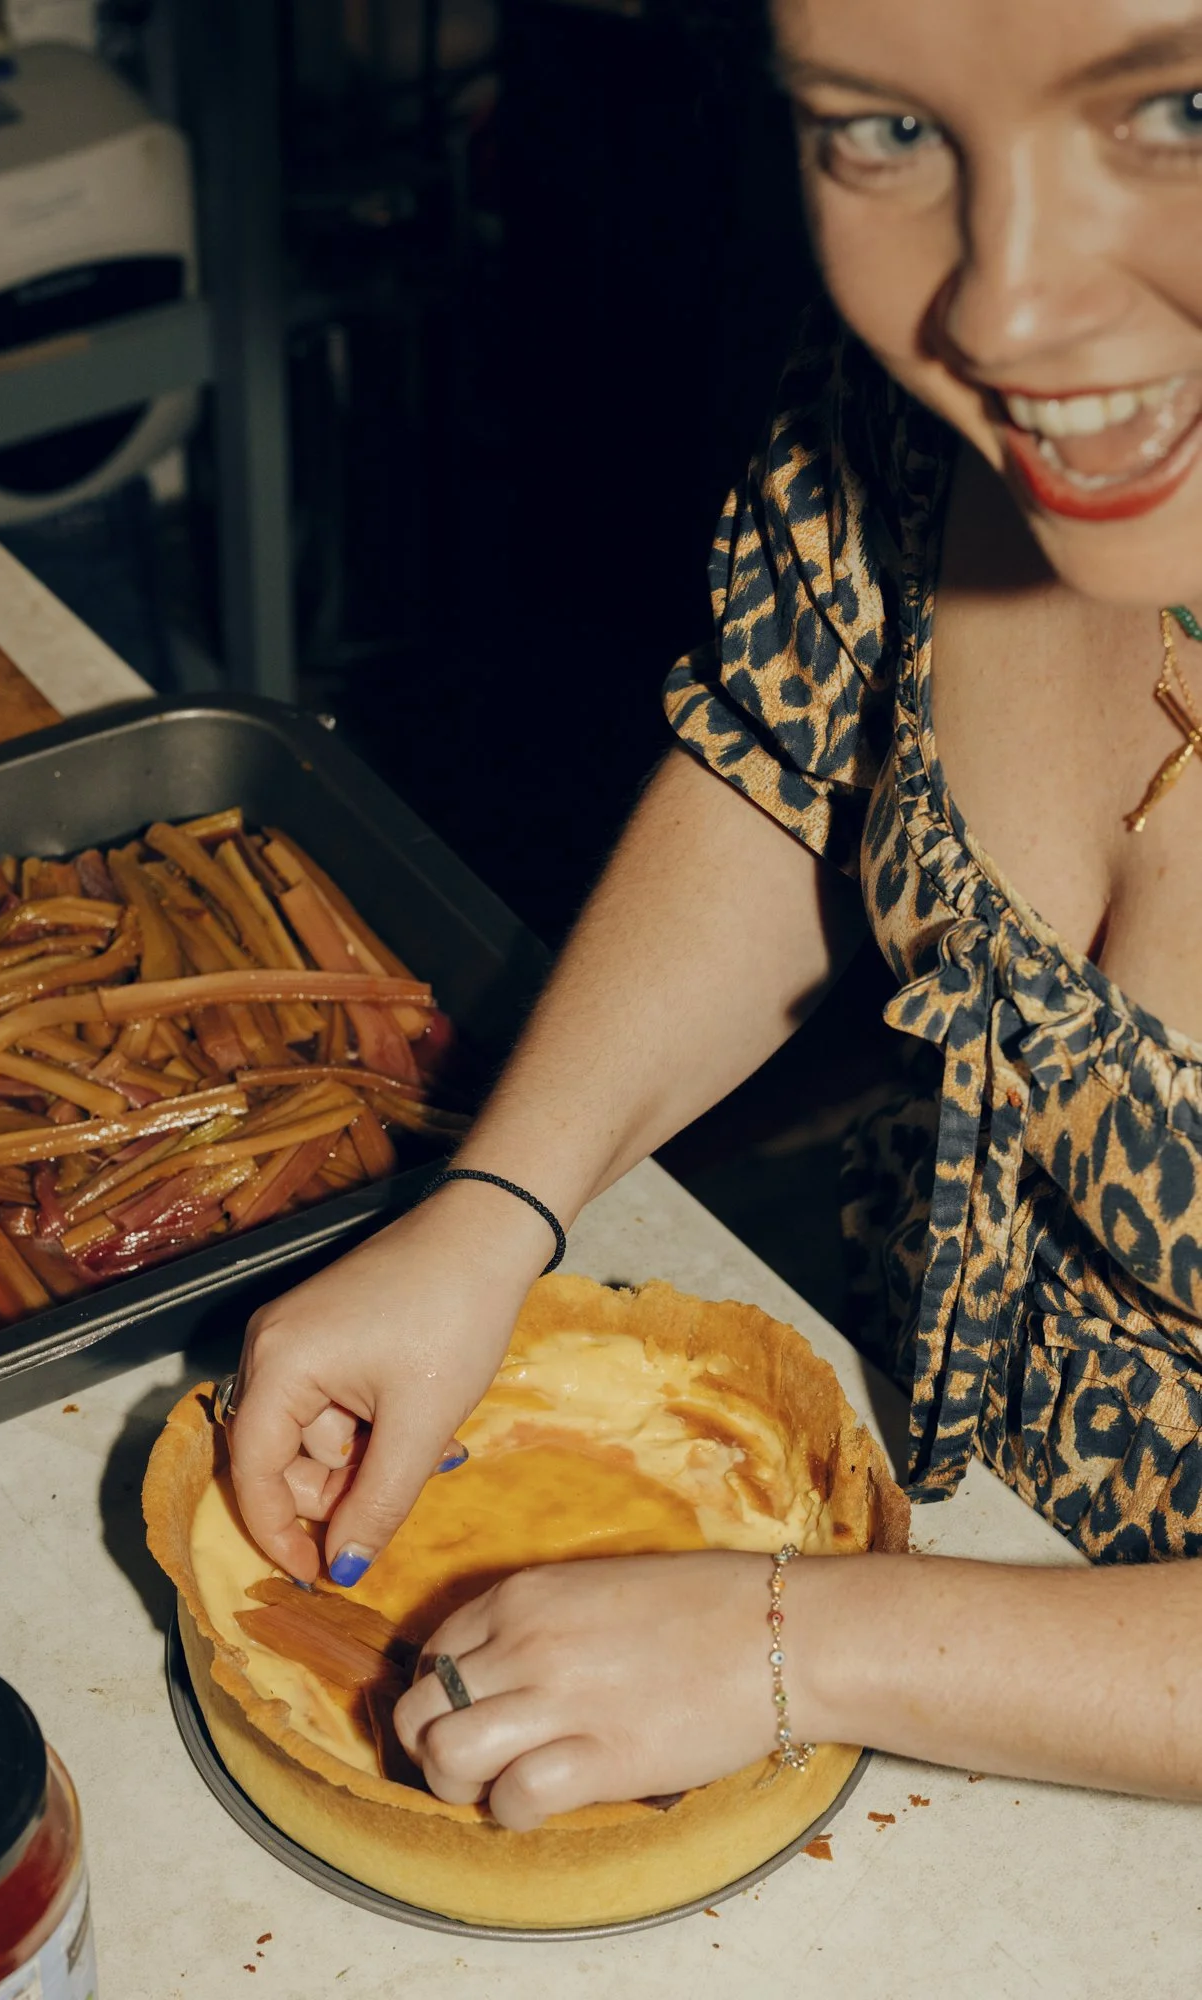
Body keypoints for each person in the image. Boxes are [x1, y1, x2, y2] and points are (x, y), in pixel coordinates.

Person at [225, 0, 1202, 1829]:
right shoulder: (931, 425)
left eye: (1179, 106)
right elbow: (790, 764)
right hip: (958, 1502)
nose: (999, 308)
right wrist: (497, 1206)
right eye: (883, 131)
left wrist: (801, 1648)